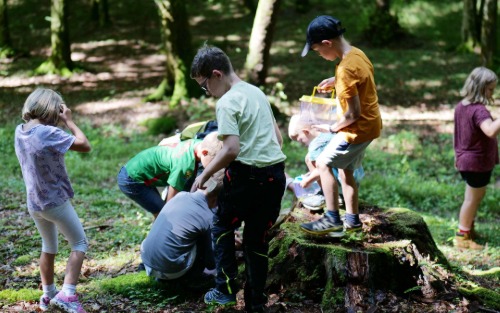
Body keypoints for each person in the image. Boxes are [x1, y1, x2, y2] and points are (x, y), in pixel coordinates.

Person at [189, 44, 286, 312]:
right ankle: (256, 303)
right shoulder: (257, 93)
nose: (207, 92)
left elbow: (231, 149)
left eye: (205, 85)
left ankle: (225, 290)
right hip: (275, 176)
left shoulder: (227, 102)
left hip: (247, 178)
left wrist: (206, 173)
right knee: (257, 239)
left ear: (216, 74)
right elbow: (278, 139)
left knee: (221, 226)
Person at [299, 15, 382, 235]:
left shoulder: (345, 69)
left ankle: (332, 219)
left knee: (325, 163)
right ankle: (353, 221)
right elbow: (359, 77)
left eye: (317, 51)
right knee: (346, 170)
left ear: (327, 43)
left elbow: (353, 113)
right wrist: (336, 80)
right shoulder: (356, 54)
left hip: (357, 129)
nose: (319, 54)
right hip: (370, 125)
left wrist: (332, 128)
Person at [14, 88, 91, 313]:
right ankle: (68, 294)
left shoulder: (20, 131)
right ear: (52, 110)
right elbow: (85, 145)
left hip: (34, 203)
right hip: (55, 202)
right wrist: (69, 121)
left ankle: (48, 295)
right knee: (79, 243)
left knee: (49, 246)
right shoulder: (47, 133)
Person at [140, 170, 224, 283]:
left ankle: (165, 273)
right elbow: (211, 262)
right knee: (203, 237)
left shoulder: (180, 195)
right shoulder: (208, 217)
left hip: (148, 263)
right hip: (172, 271)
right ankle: (192, 280)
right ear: (216, 199)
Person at [117, 132, 222, 218]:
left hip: (136, 171)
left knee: (163, 212)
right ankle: (157, 242)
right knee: (164, 215)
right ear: (204, 153)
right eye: (214, 163)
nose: (215, 167)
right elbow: (170, 202)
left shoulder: (199, 144)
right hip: (131, 179)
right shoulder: (184, 165)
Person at [453, 66, 499, 250]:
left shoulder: (461, 106)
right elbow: (490, 130)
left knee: (473, 197)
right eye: (490, 89)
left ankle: (468, 228)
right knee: (472, 199)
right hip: (476, 163)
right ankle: (462, 236)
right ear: (480, 88)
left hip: (466, 161)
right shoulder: (478, 110)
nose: (492, 93)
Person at [287, 114, 365, 210]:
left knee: (308, 158)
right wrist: (310, 174)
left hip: (342, 177)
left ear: (306, 132)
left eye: (301, 140)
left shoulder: (316, 145)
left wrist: (307, 181)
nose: (302, 144)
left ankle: (327, 194)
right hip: (353, 174)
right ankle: (338, 194)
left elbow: (323, 167)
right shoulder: (329, 134)